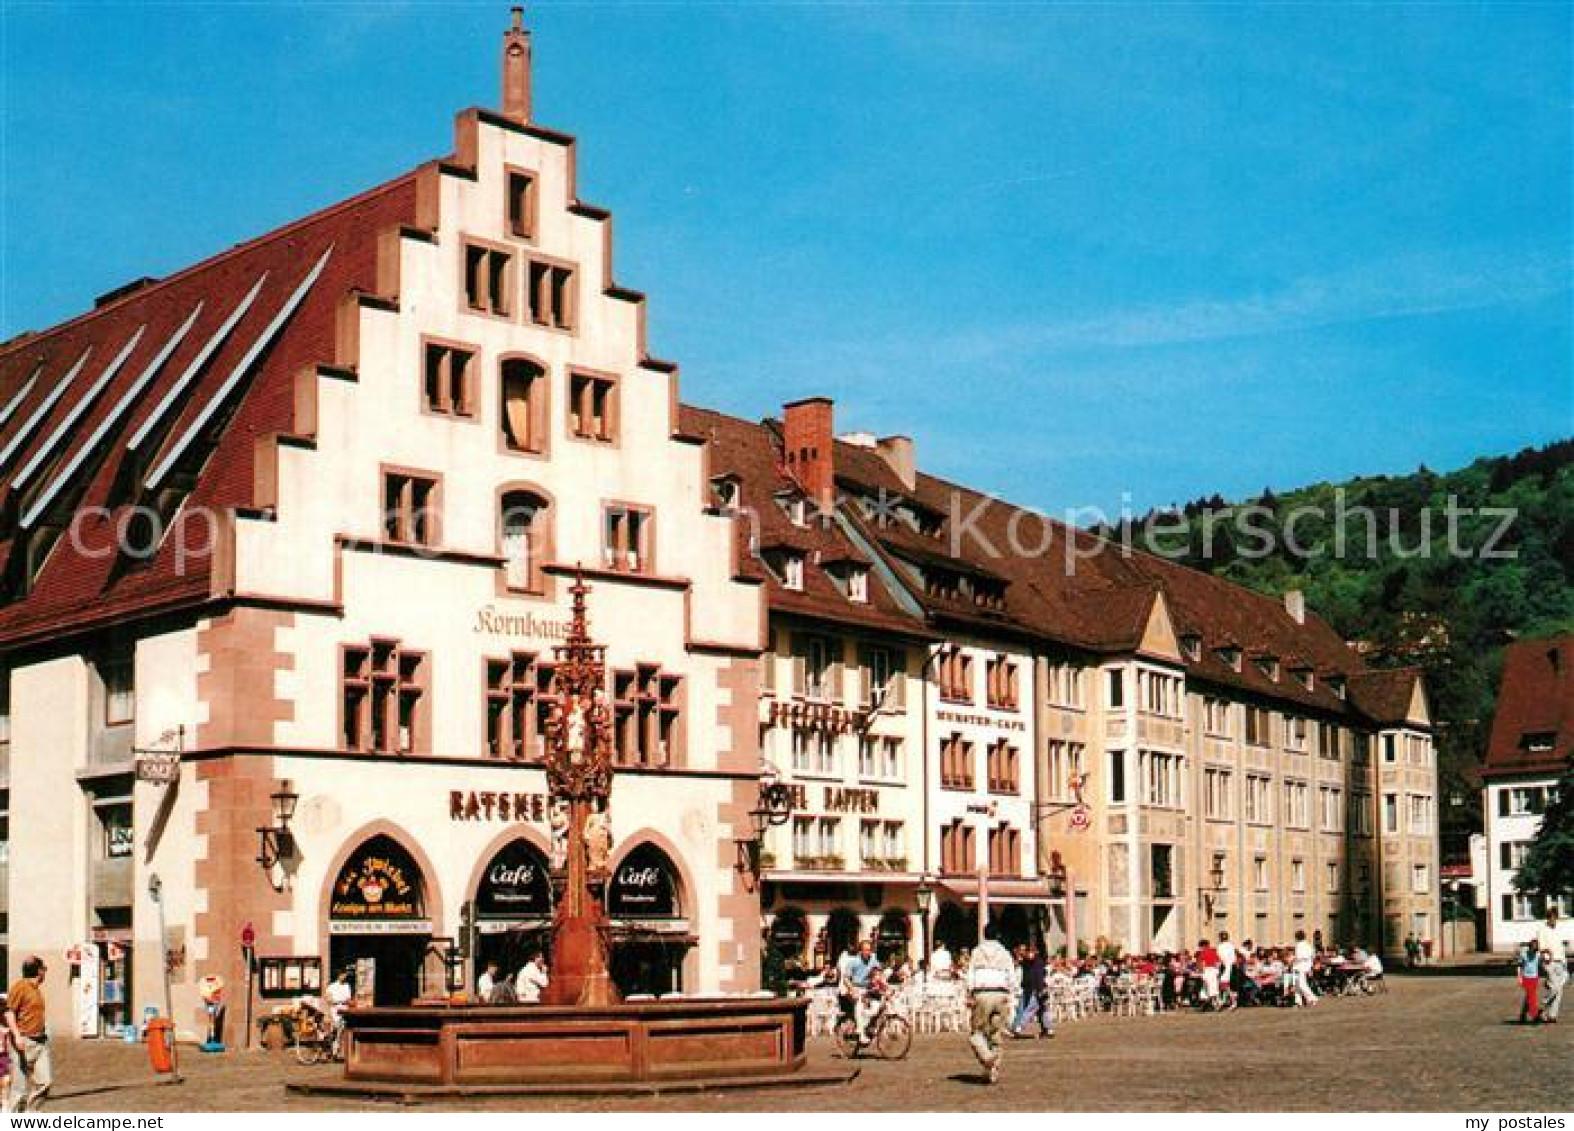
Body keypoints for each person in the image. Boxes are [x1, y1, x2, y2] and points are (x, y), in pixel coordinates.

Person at [966, 923, 1016, 1084]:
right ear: (998, 936)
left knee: (976, 1033)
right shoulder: (1005, 953)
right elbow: (1012, 975)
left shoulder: (976, 952)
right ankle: (992, 1071)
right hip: (1001, 993)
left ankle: (987, 1058)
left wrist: (969, 992)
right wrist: (1011, 995)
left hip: (982, 994)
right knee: (995, 1034)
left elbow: (970, 974)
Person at [5, 957, 50, 1112]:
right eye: (44, 968)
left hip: (40, 1042)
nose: (45, 972)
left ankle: (29, 1117)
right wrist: (17, 1036)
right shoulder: (20, 987)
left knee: (45, 1083)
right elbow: (9, 1012)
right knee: (19, 1089)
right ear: (39, 971)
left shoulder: (36, 988)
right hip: (22, 1042)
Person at [837, 940, 879, 1043]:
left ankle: (868, 1026)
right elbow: (845, 978)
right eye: (865, 950)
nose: (867, 952)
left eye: (869, 950)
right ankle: (860, 1032)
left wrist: (884, 986)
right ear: (860, 951)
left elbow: (878, 974)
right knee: (859, 1003)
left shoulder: (873, 959)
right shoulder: (853, 961)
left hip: (868, 989)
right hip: (855, 988)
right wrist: (853, 989)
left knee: (877, 1006)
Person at [1011, 945, 1051, 1038]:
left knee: (1033, 1008)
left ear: (1036, 952)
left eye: (1031, 951)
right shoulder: (1026, 962)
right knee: (1041, 1009)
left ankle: (1019, 1027)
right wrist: (1018, 953)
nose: (1029, 953)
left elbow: (1039, 977)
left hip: (1037, 988)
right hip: (1029, 988)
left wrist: (1040, 989)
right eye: (1028, 951)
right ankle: (1048, 1028)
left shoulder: (1038, 962)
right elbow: (1018, 961)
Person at [1536, 909, 1566, 1024]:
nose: (1554, 920)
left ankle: (1552, 1015)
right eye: (1552, 918)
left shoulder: (1558, 930)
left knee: (1559, 989)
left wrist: (1564, 960)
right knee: (1555, 988)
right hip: (1550, 962)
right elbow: (1541, 947)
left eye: (1555, 918)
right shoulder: (1542, 930)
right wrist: (1547, 955)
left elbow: (1560, 946)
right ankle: (1543, 1005)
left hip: (1561, 962)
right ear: (1548, 918)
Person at [1292, 931, 1318, 1008]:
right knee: (1297, 985)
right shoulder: (1309, 945)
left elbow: (1298, 957)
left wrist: (1292, 959)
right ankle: (1298, 1002)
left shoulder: (1299, 945)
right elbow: (1313, 956)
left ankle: (1312, 998)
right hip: (1306, 966)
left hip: (1299, 966)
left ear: (1297, 937)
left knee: (1301, 984)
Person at [1517, 941, 1542, 1024]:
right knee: (1532, 996)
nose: (1534, 952)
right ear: (1529, 947)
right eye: (1533, 949)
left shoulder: (1538, 955)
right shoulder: (1523, 954)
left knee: (1529, 997)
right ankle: (1534, 1015)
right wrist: (1519, 977)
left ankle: (1522, 1015)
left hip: (1535, 978)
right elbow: (1520, 966)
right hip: (1526, 978)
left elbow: (1540, 964)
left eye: (1536, 950)